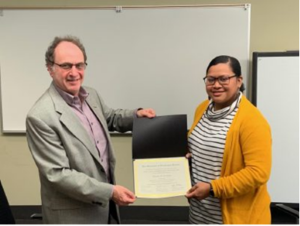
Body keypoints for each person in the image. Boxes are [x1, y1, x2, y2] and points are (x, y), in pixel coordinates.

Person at [26, 35, 156, 224]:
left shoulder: (91, 95)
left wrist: (137, 115)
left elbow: (110, 117)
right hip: (74, 215)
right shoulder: (40, 116)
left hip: (104, 208)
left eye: (79, 65)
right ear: (50, 68)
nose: (74, 72)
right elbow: (58, 174)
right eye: (66, 66)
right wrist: (110, 191)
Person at [185, 55, 272, 224]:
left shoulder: (252, 120)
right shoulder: (202, 109)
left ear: (239, 81)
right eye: (211, 79)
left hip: (234, 217)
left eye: (224, 79)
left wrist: (212, 188)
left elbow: (258, 173)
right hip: (200, 213)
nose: (216, 85)